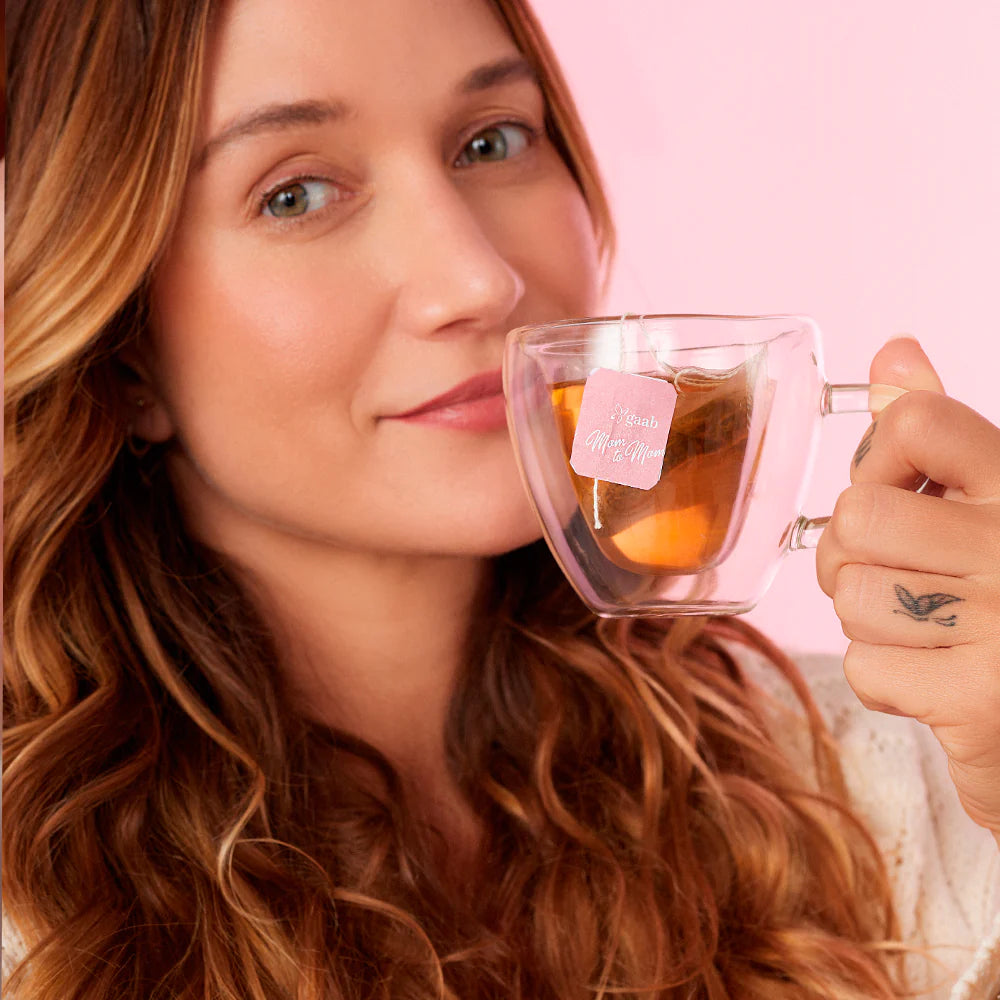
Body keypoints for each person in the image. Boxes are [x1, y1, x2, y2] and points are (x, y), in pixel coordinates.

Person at [4, 0, 999, 997]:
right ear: (124, 350)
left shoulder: (900, 780)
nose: (477, 280)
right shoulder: (30, 931)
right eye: (295, 194)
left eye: (492, 140)